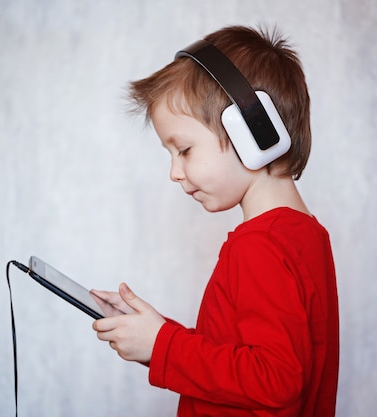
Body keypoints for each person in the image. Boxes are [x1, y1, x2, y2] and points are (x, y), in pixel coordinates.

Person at [91, 25, 339, 417]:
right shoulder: (305, 236)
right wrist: (156, 337)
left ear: (253, 132)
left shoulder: (260, 245)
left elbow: (276, 381)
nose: (174, 172)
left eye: (184, 150)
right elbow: (245, 359)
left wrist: (164, 346)